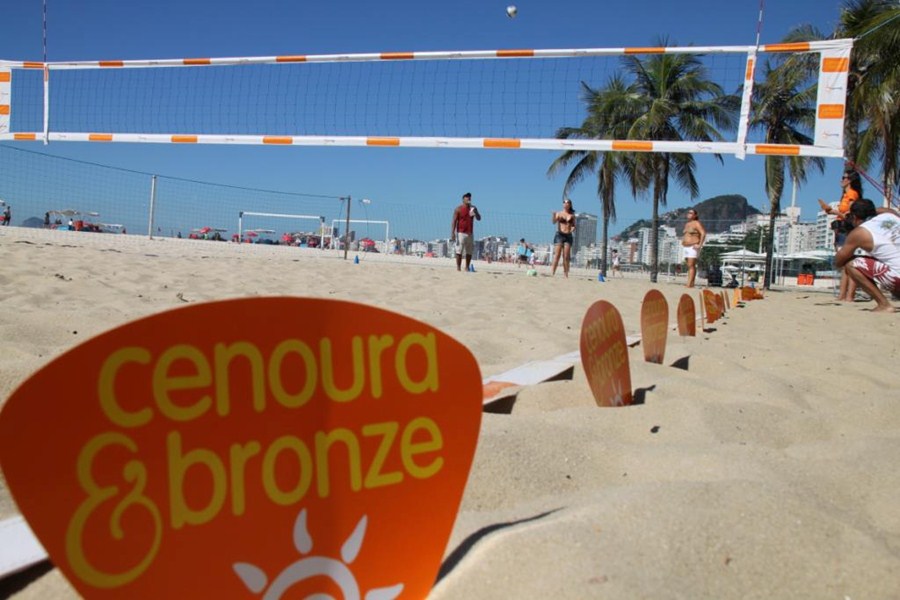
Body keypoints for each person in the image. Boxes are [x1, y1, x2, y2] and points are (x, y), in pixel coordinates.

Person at [835, 198, 900, 313]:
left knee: (851, 264)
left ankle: (884, 305)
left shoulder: (860, 232)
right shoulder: (891, 214)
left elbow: (838, 262)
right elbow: (883, 209)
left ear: (854, 217)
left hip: (897, 279)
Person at [819, 170, 862, 301]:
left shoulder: (852, 194)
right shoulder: (846, 195)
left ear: (850, 180)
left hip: (847, 230)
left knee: (849, 264)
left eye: (844, 178)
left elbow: (850, 216)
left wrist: (834, 212)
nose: (841, 180)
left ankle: (849, 295)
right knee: (845, 265)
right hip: (841, 230)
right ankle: (843, 295)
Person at [450, 192, 481, 272]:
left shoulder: (473, 208)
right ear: (463, 199)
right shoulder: (458, 209)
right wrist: (453, 233)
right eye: (467, 197)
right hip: (460, 233)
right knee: (459, 251)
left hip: (470, 233)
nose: (469, 198)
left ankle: (467, 267)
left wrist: (476, 212)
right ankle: (458, 267)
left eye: (469, 197)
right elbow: (454, 221)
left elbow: (479, 218)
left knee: (469, 251)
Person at [550, 198, 576, 277]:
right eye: (564, 202)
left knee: (566, 256)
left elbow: (574, 225)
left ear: (570, 205)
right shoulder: (559, 213)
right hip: (559, 235)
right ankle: (552, 272)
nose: (565, 204)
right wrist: (554, 215)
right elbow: (553, 222)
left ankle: (566, 274)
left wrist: (572, 229)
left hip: (568, 236)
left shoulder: (572, 215)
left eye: (567, 202)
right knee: (557, 255)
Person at [682, 208, 706, 288]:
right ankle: (691, 283)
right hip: (686, 246)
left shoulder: (696, 223)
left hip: (693, 246)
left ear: (695, 215)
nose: (689, 214)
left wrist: (700, 244)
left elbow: (703, 233)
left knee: (691, 265)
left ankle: (689, 284)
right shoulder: (687, 224)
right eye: (688, 212)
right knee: (689, 265)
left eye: (691, 213)